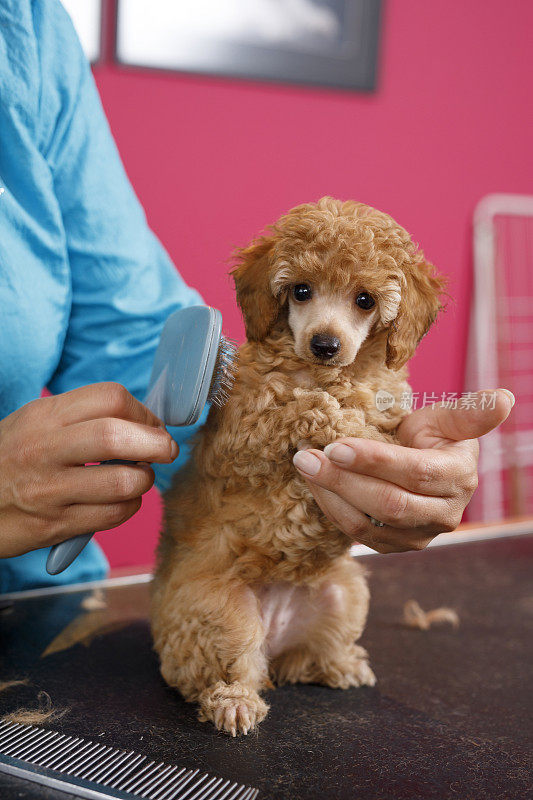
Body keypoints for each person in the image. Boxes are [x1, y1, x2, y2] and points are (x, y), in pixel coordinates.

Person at [0, 0, 513, 593]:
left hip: (40, 598)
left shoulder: (27, 24)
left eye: (364, 303)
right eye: (302, 292)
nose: (328, 327)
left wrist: (402, 461)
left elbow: (143, 345)